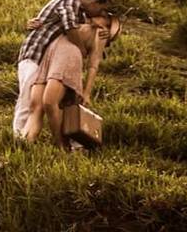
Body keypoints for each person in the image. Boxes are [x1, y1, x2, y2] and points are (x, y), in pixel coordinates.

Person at [12, 0, 112, 138]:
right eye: (100, 8)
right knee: (27, 100)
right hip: (35, 54)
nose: (100, 12)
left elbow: (87, 26)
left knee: (37, 102)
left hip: (46, 59)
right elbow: (71, 30)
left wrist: (103, 29)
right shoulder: (69, 1)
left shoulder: (80, 11)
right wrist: (82, 50)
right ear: (94, 2)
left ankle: (26, 138)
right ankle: (18, 137)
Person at [22, 13, 121, 148]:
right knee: (35, 104)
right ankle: (26, 143)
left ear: (107, 25)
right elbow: (54, 22)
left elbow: (93, 65)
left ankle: (61, 144)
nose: (100, 15)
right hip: (51, 53)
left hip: (68, 56)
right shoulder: (79, 17)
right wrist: (32, 23)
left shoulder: (101, 33)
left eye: (105, 18)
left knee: (49, 102)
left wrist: (87, 92)